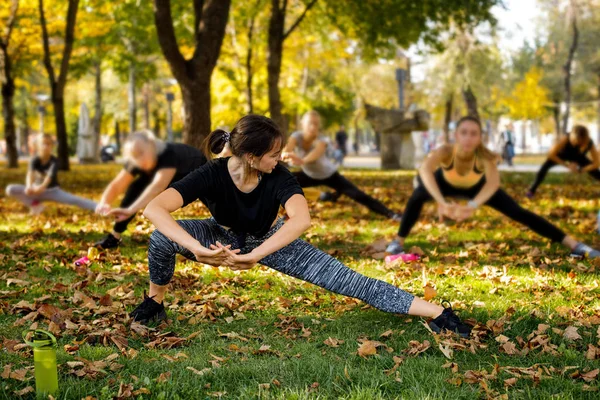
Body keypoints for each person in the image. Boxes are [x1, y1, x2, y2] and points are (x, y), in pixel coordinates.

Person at [129, 114, 472, 338]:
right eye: (274, 154)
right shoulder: (213, 173)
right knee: (161, 239)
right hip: (219, 236)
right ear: (250, 157)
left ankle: (438, 313)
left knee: (348, 279)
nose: (281, 159)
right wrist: (198, 249)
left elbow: (302, 219)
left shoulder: (278, 175)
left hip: (271, 239)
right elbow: (155, 209)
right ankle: (155, 302)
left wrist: (256, 255)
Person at [386, 116, 600, 259]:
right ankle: (398, 242)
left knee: (518, 212)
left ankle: (575, 245)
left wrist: (471, 205)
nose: (468, 138)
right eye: (464, 132)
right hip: (444, 184)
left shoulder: (485, 156)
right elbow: (425, 171)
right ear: (456, 135)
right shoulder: (444, 151)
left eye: (473, 133)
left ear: (480, 137)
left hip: (475, 188)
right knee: (416, 197)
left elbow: (493, 183)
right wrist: (442, 202)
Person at [94, 130, 207, 249]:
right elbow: (117, 184)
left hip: (194, 169)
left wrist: (131, 209)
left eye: (141, 153)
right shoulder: (135, 161)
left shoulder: (167, 154)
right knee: (135, 188)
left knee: (211, 197)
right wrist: (104, 202)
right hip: (169, 177)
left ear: (152, 147)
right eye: (134, 155)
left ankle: (226, 227)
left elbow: (158, 187)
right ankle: (114, 238)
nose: (138, 159)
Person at [282, 110, 401, 221]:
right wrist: (285, 155)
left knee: (358, 195)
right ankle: (279, 218)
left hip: (329, 175)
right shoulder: (296, 136)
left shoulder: (322, 139)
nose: (313, 127)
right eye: (310, 123)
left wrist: (302, 161)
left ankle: (390, 214)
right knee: (281, 183)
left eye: (316, 124)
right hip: (308, 175)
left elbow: (316, 153)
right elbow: (287, 149)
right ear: (303, 124)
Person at [5, 134, 97, 215]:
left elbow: (49, 178)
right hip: (35, 190)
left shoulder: (54, 161)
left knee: (74, 199)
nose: (46, 146)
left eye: (48, 144)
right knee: (11, 189)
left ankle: (98, 206)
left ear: (52, 146)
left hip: (52, 191)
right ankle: (35, 205)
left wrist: (41, 188)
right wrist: (29, 186)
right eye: (43, 143)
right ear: (37, 146)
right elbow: (30, 174)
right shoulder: (34, 159)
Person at [526, 125, 600, 198]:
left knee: (596, 172)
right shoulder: (566, 138)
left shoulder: (589, 142)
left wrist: (581, 170)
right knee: (544, 167)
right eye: (576, 143)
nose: (579, 145)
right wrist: (567, 165)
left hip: (579, 158)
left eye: (581, 144)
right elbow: (551, 154)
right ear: (573, 138)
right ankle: (531, 190)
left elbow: (596, 164)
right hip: (563, 155)